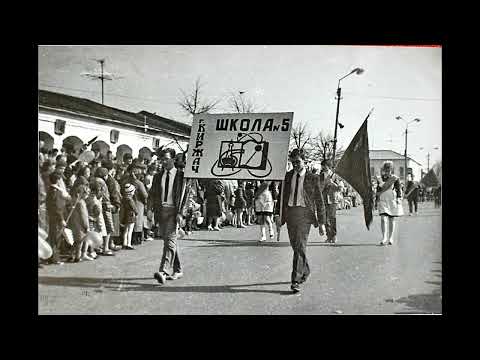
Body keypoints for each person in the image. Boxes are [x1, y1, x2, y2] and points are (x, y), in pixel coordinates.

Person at [281, 148, 326, 293]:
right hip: (290, 214)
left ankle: (295, 280)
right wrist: (278, 215)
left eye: (298, 162)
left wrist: (322, 223)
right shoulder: (287, 176)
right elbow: (282, 198)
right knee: (296, 246)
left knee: (300, 245)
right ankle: (305, 270)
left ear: (304, 161)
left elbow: (319, 201)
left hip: (305, 216)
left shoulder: (313, 178)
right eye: (293, 162)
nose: (295, 165)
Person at [150, 148, 188, 285]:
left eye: (166, 159)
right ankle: (178, 269)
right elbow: (153, 195)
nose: (164, 162)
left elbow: (186, 197)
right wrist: (150, 211)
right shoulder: (157, 176)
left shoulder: (182, 176)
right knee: (169, 242)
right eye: (162, 159)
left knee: (170, 241)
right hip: (162, 211)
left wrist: (181, 213)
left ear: (173, 159)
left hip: (174, 211)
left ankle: (163, 271)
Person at [46, 172, 71, 265]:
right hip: (56, 218)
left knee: (54, 237)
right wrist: (61, 219)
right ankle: (54, 258)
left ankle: (52, 257)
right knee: (56, 238)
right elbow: (56, 207)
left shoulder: (51, 190)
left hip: (53, 217)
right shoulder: (55, 191)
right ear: (57, 180)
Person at [376, 161, 404, 245]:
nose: (387, 171)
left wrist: (399, 198)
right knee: (383, 218)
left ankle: (390, 237)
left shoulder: (395, 178)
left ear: (391, 170)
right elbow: (378, 190)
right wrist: (376, 199)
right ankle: (384, 237)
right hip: (383, 200)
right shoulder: (379, 179)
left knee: (391, 219)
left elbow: (399, 189)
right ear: (384, 170)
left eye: (389, 169)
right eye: (386, 169)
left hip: (392, 200)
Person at [319, 159, 343, 244]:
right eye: (322, 166)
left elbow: (340, 188)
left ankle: (334, 235)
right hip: (323, 199)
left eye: (323, 166)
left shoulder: (335, 175)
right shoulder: (321, 175)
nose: (322, 167)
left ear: (328, 166)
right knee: (325, 218)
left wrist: (332, 183)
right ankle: (328, 236)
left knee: (332, 218)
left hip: (332, 199)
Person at [67, 184, 91, 262]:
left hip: (73, 224)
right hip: (80, 225)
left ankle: (71, 255)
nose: (87, 195)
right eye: (86, 193)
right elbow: (83, 216)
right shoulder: (81, 203)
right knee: (79, 242)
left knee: (75, 241)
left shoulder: (73, 201)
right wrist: (86, 226)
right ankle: (77, 256)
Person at [120, 183, 137, 250]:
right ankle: (129, 244)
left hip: (126, 215)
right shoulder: (130, 200)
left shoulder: (124, 199)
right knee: (130, 230)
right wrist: (136, 213)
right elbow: (134, 208)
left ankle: (124, 243)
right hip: (131, 215)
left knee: (126, 230)